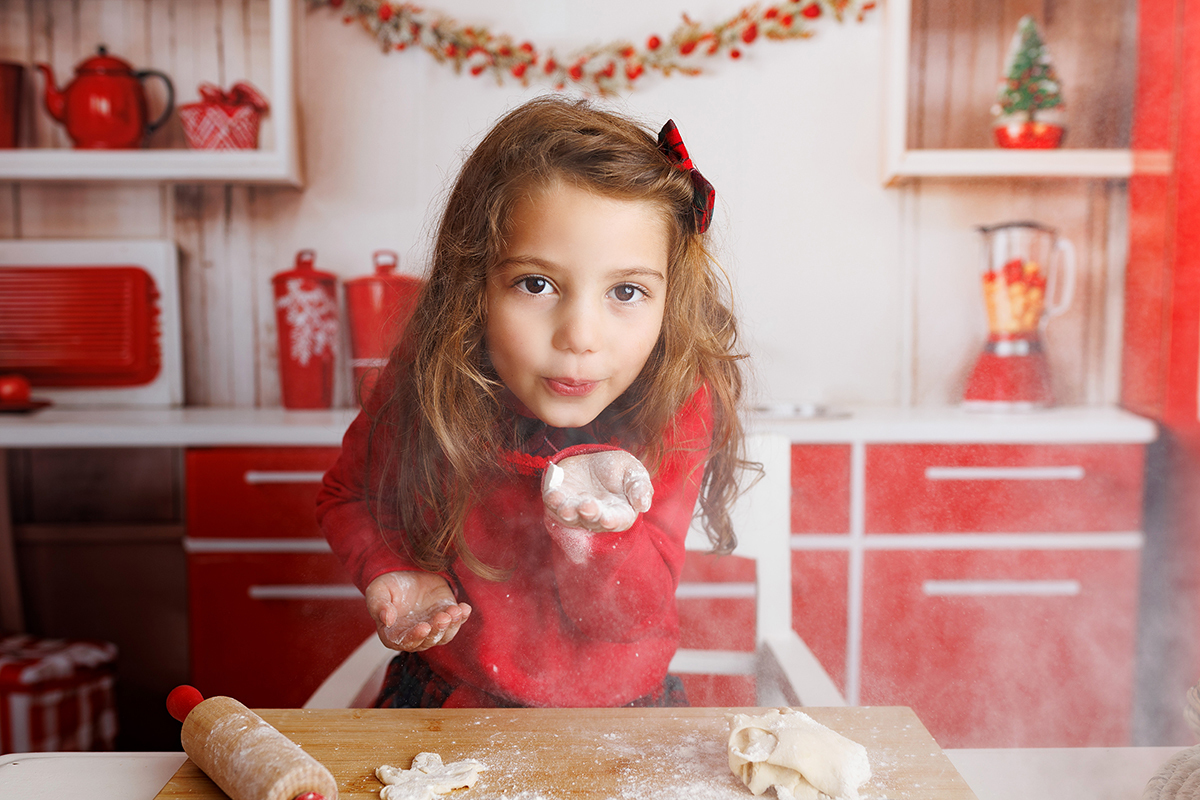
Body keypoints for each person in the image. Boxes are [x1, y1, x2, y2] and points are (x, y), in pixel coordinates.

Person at [316, 95, 748, 709]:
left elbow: (628, 618)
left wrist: (597, 535)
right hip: (447, 702)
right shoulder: (430, 376)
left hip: (622, 717)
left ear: (669, 301)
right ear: (476, 284)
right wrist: (393, 569)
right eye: (536, 284)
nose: (581, 336)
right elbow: (349, 494)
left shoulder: (674, 400)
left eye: (626, 291)